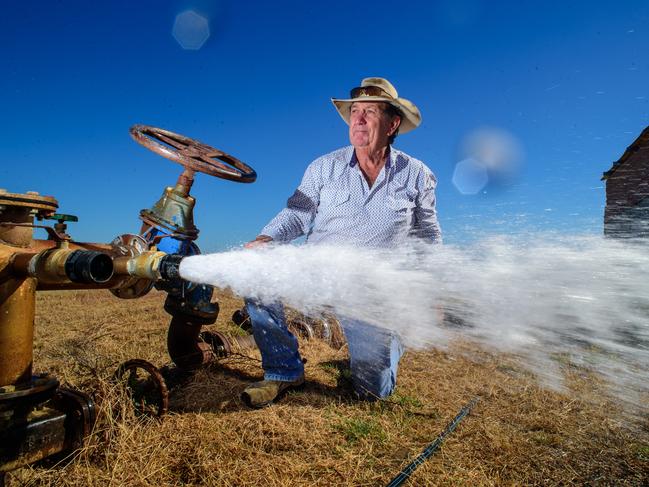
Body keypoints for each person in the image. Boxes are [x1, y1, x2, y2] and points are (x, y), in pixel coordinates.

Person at [241, 77, 441, 408]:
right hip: (316, 274)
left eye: (370, 112)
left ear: (392, 123)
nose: (358, 119)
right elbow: (297, 214)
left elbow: (427, 236)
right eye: (355, 111)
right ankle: (284, 371)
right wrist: (267, 238)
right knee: (255, 273)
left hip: (371, 290)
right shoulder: (323, 167)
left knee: (371, 392)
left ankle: (393, 335)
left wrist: (431, 287)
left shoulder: (418, 174)